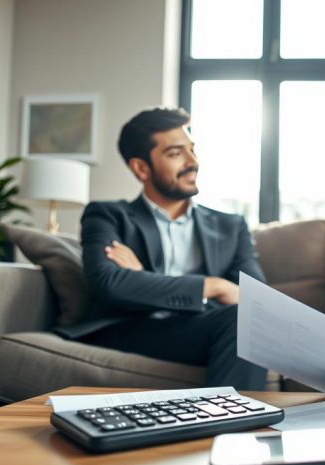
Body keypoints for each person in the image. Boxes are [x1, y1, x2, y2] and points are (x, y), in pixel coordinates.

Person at [56, 107, 267, 390]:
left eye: (192, 150)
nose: (193, 162)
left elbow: (256, 298)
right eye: (176, 153)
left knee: (248, 318)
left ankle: (231, 430)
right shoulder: (108, 215)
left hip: (200, 329)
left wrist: (144, 278)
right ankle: (231, 426)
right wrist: (214, 286)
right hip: (132, 329)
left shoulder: (230, 226)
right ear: (142, 168)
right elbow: (108, 281)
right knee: (240, 319)